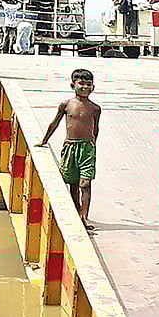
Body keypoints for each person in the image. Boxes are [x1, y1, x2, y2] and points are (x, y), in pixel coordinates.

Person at [37, 69, 101, 231]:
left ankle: (84, 216)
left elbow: (96, 129)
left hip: (87, 148)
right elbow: (55, 123)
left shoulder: (95, 109)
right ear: (73, 85)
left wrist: (93, 145)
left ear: (93, 87)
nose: (85, 87)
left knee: (85, 183)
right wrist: (44, 141)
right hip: (70, 146)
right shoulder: (66, 105)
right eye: (81, 84)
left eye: (88, 84)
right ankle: (76, 211)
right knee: (72, 182)